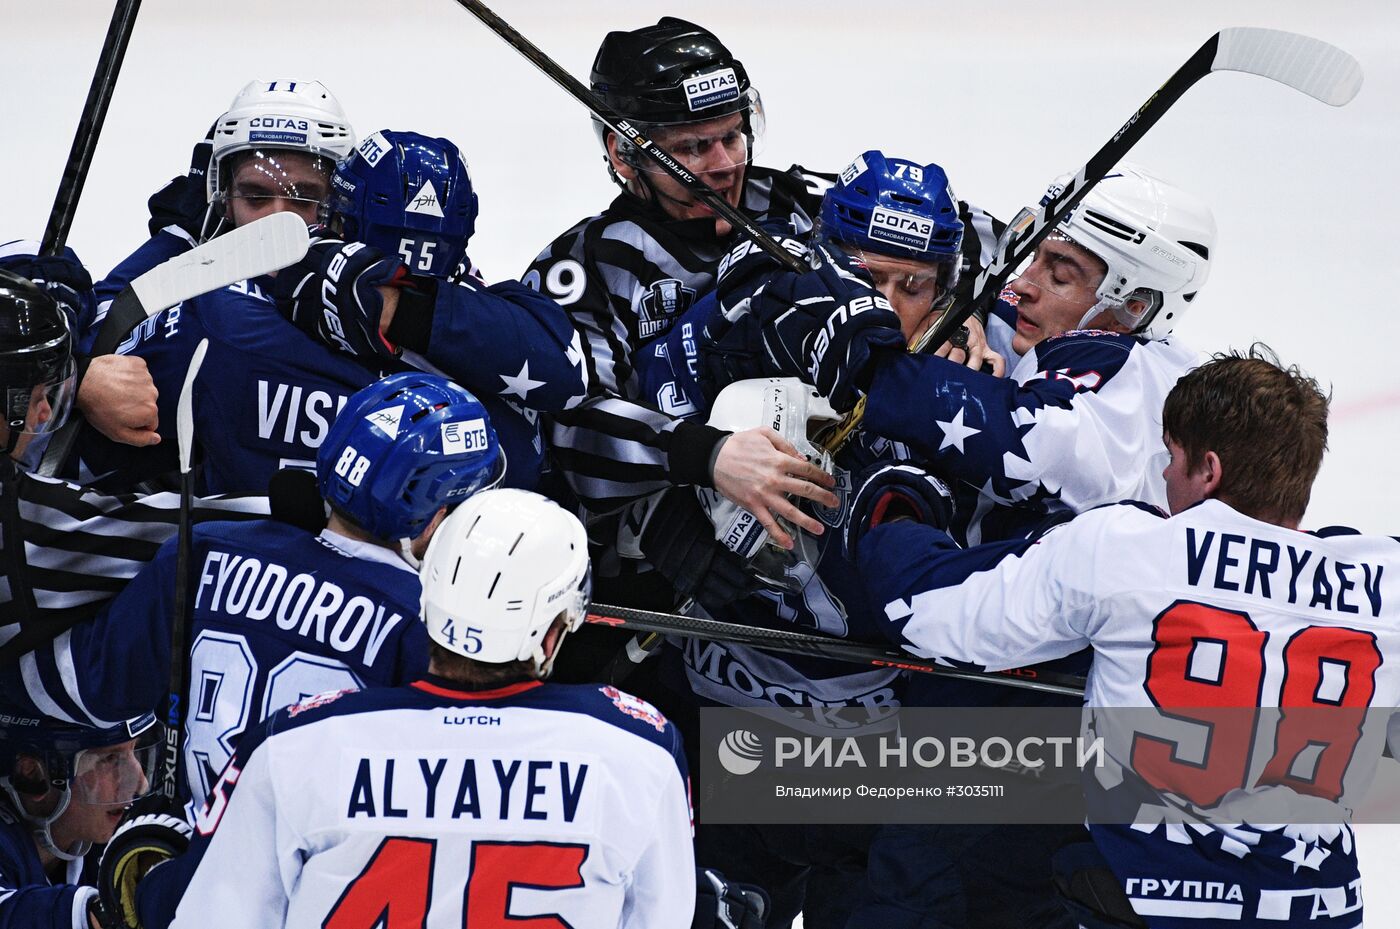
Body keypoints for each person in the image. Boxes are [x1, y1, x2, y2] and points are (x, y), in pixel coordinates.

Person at [850, 348, 1396, 929]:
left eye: (1172, 456)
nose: (1163, 474)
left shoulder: (1128, 547)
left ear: (1209, 471)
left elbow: (930, 613)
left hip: (1153, 903)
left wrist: (894, 513)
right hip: (1318, 911)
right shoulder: (1384, 577)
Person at [130, 489, 693, 929]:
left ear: (426, 600)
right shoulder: (640, 749)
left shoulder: (293, 743)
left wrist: (154, 883)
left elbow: (212, 917)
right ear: (550, 635)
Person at [65, 372, 503, 808]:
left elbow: (94, 688)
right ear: (434, 517)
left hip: (194, 843)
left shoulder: (204, 548)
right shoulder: (425, 624)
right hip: (325, 850)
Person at [733, 163, 1214, 549]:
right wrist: (963, 308)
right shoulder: (1035, 320)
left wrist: (873, 366)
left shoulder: (1142, 373)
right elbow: (945, 230)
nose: (1023, 284)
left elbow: (1028, 445)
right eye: (1033, 257)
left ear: (1135, 307)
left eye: (1059, 276)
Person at [76, 129, 547, 497]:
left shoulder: (219, 318)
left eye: (302, 198)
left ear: (336, 211)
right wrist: (81, 377)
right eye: (255, 197)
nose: (278, 218)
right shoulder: (215, 311)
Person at [0, 270, 265, 675]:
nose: (43, 413)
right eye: (34, 398)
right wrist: (314, 507)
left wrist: (86, 377)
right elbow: (188, 529)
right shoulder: (21, 523)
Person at [0, 713, 160, 929]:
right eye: (110, 759)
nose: (141, 784)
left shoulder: (117, 834)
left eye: (135, 749)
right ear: (33, 774)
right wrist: (100, 913)